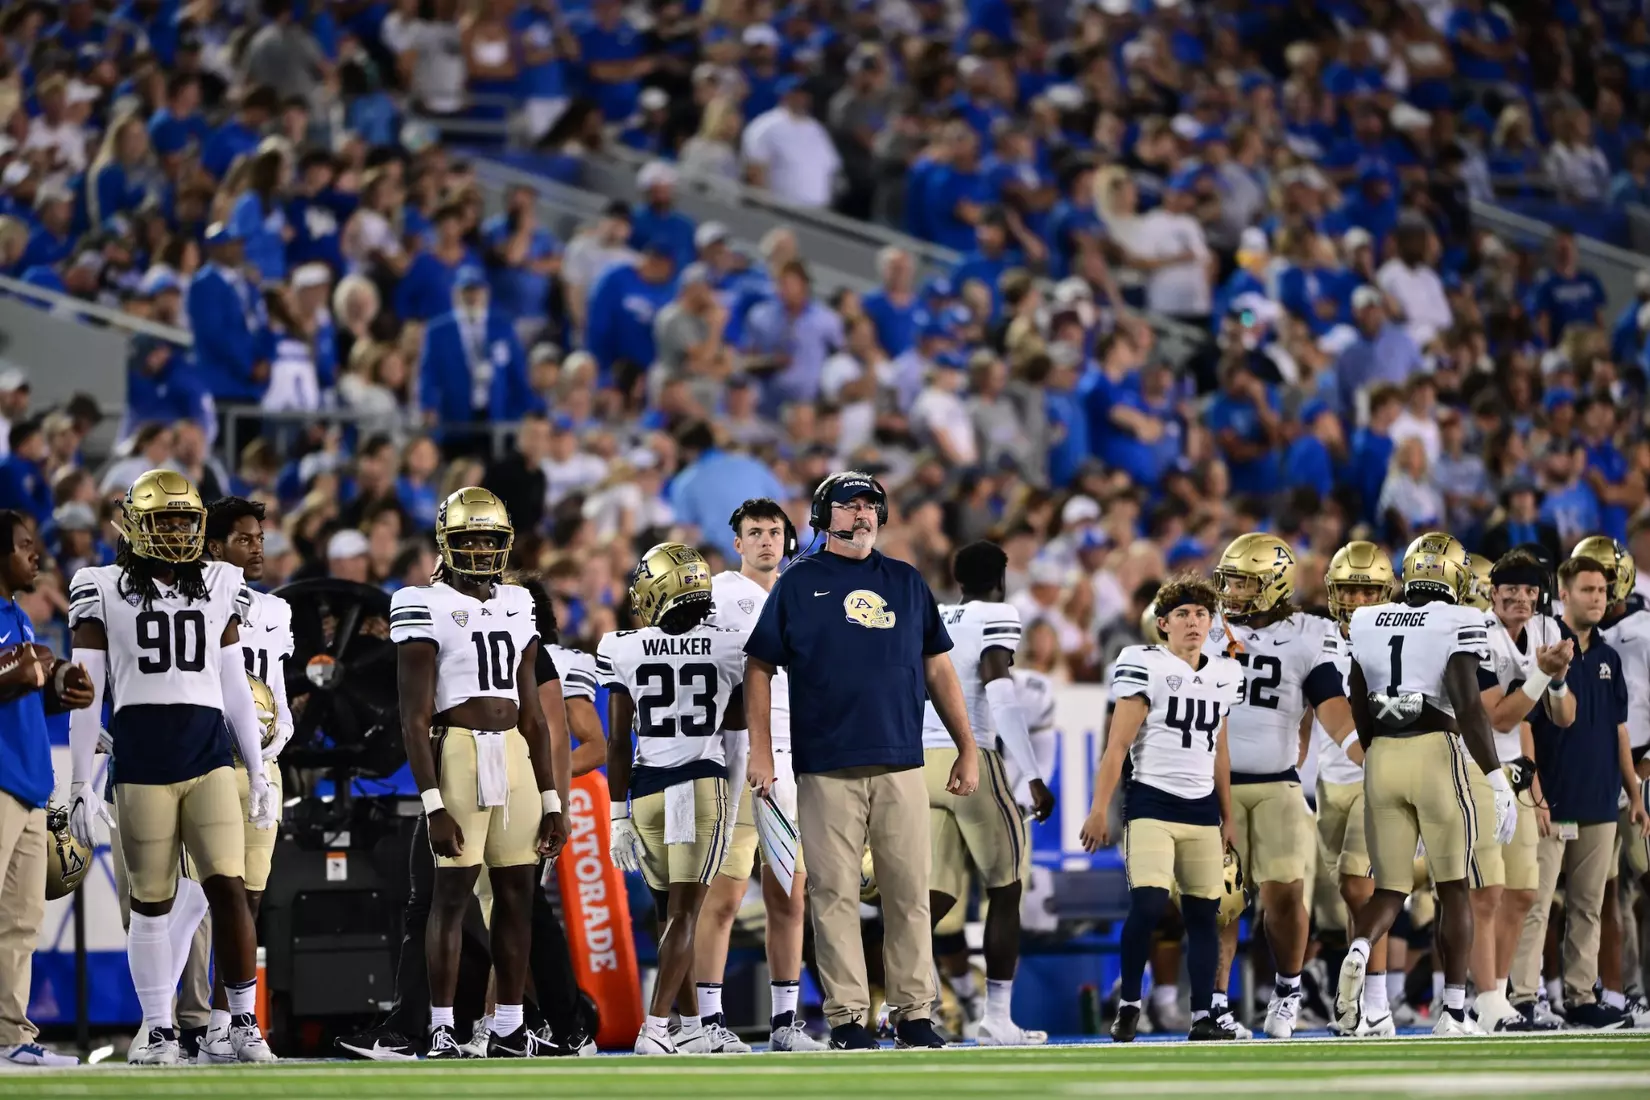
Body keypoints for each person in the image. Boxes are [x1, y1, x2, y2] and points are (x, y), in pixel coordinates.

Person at [744, 470, 978, 1051]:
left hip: (901, 759)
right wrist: (759, 750)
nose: (862, 514)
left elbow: (938, 667)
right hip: (825, 763)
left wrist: (967, 745)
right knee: (833, 895)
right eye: (849, 506)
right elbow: (758, 666)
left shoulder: (905, 580)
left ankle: (916, 1012)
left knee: (909, 893)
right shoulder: (797, 583)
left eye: (870, 505)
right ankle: (849, 1017)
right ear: (825, 516)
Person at [65, 470, 278, 1064]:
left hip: (209, 754)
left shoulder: (218, 581)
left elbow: (235, 686)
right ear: (134, 524)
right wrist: (82, 781)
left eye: (187, 520)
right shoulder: (100, 585)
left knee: (229, 890)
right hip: (141, 757)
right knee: (152, 902)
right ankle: (158, 1027)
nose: (180, 531)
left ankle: (240, 1020)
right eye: (166, 520)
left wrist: (256, 769)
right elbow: (87, 691)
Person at [391, 488, 567, 1057]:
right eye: (470, 538)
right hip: (458, 749)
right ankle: (442, 1024)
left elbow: (535, 715)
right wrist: (433, 802)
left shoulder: (519, 602)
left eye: (491, 538)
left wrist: (552, 798)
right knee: (452, 895)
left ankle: (510, 1024)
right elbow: (414, 719)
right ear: (447, 541)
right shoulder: (421, 601)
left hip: (514, 749)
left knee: (517, 894)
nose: (482, 548)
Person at [1333, 532, 1514, 1038]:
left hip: (1382, 755)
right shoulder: (1463, 618)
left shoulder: (1367, 619)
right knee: (1454, 886)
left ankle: (1361, 948)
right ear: (1455, 576)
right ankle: (1454, 1013)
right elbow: (1469, 704)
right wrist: (1496, 778)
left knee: (1389, 888)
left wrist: (1376, 751)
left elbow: (1357, 695)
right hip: (1436, 751)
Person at [1205, 532, 1355, 1038]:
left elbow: (1334, 708)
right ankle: (1215, 1003)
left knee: (1285, 894)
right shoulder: (1205, 626)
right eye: (1230, 580)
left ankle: (1288, 991)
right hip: (1212, 784)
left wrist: (1371, 761)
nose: (1233, 591)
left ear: (1274, 584)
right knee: (1220, 899)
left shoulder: (1309, 634)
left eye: (1245, 582)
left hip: (1277, 784)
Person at [599, 542, 748, 1055]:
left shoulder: (621, 645)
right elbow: (738, 738)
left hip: (644, 789)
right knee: (686, 915)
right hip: (700, 785)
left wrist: (617, 813)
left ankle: (691, 1029)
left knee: (668, 915)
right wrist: (730, 803)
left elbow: (618, 742)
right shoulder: (731, 644)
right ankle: (657, 1027)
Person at [1080, 572, 1241, 1042]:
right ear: (1163, 623)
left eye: (1201, 614)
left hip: (1202, 809)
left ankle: (1201, 1017)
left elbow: (1221, 752)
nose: (1193, 622)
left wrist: (1228, 816)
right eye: (1183, 615)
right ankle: (1130, 1001)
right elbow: (1116, 747)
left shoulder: (1226, 672)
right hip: (1151, 801)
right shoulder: (1142, 663)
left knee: (1204, 915)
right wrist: (1098, 808)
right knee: (1149, 904)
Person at [693, 499, 826, 1053]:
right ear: (738, 543)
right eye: (756, 533)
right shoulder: (720, 595)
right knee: (722, 897)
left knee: (789, 897)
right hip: (737, 759)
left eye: (775, 531)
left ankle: (784, 1023)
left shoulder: (800, 596)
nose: (767, 541)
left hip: (793, 758)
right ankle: (706, 1020)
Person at [1507, 555, 1649, 1029]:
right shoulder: (1542, 649)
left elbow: (1620, 729)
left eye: (1602, 591)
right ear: (1563, 594)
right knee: (1536, 902)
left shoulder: (1609, 657)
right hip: (1555, 802)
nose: (1597, 598)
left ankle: (1581, 995)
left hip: (1600, 800)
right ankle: (1524, 996)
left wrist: (1635, 791)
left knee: (1590, 906)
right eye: (1587, 590)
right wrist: (1537, 793)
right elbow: (1525, 728)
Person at [921, 540, 1054, 1045]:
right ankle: (997, 1018)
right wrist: (1034, 775)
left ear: (957, 579)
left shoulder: (933, 615)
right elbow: (999, 692)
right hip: (970, 754)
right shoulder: (998, 613)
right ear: (1000, 576)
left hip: (921, 763)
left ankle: (903, 1004)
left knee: (930, 900)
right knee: (1006, 887)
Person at [178, 496, 295, 1062]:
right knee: (196, 902)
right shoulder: (187, 599)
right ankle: (171, 1023)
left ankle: (227, 1025)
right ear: (214, 545)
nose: (256, 548)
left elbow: (277, 690)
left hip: (260, 765)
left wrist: (273, 755)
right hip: (205, 762)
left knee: (247, 898)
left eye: (259, 538)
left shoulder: (276, 612)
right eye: (244, 538)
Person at [0, 510, 92, 1067]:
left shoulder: (19, 616)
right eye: (24, 546)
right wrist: (23, 670)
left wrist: (61, 685)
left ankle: (10, 1037)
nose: (36, 556)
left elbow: (31, 687)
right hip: (2, 781)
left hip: (31, 786)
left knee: (21, 921)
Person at [1474, 547, 1573, 1031]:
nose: (1520, 597)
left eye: (1529, 589)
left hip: (1513, 770)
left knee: (1522, 893)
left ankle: (1497, 998)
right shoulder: (1477, 633)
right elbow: (1499, 715)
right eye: (1509, 588)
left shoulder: (1546, 630)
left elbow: (1562, 715)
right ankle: (1479, 997)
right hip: (1474, 768)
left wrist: (1555, 682)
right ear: (1492, 593)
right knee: (1485, 892)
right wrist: (1543, 673)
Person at [1317, 542, 1398, 1037]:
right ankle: (1356, 1008)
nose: (1358, 599)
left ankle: (1377, 1003)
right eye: (1349, 588)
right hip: (1331, 781)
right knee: (1352, 897)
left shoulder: (1400, 638)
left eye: (1368, 589)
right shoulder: (1320, 635)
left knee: (1359, 885)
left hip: (1379, 775)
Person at [1576, 536, 1650, 1026]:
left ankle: (1637, 990)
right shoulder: (1580, 636)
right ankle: (1621, 992)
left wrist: (1643, 773)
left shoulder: (1643, 629)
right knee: (1601, 890)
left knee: (1640, 883)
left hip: (1641, 765)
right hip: (1598, 771)